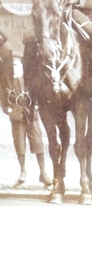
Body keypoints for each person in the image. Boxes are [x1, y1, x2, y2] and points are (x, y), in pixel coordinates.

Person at [0, 50, 51, 188]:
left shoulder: (29, 78)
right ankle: (23, 172)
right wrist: (6, 108)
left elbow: (39, 92)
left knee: (38, 142)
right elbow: (2, 95)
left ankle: (43, 172)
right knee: (19, 144)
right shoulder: (6, 79)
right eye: (13, 64)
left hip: (31, 112)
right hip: (16, 115)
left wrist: (37, 107)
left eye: (18, 64)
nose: (15, 66)